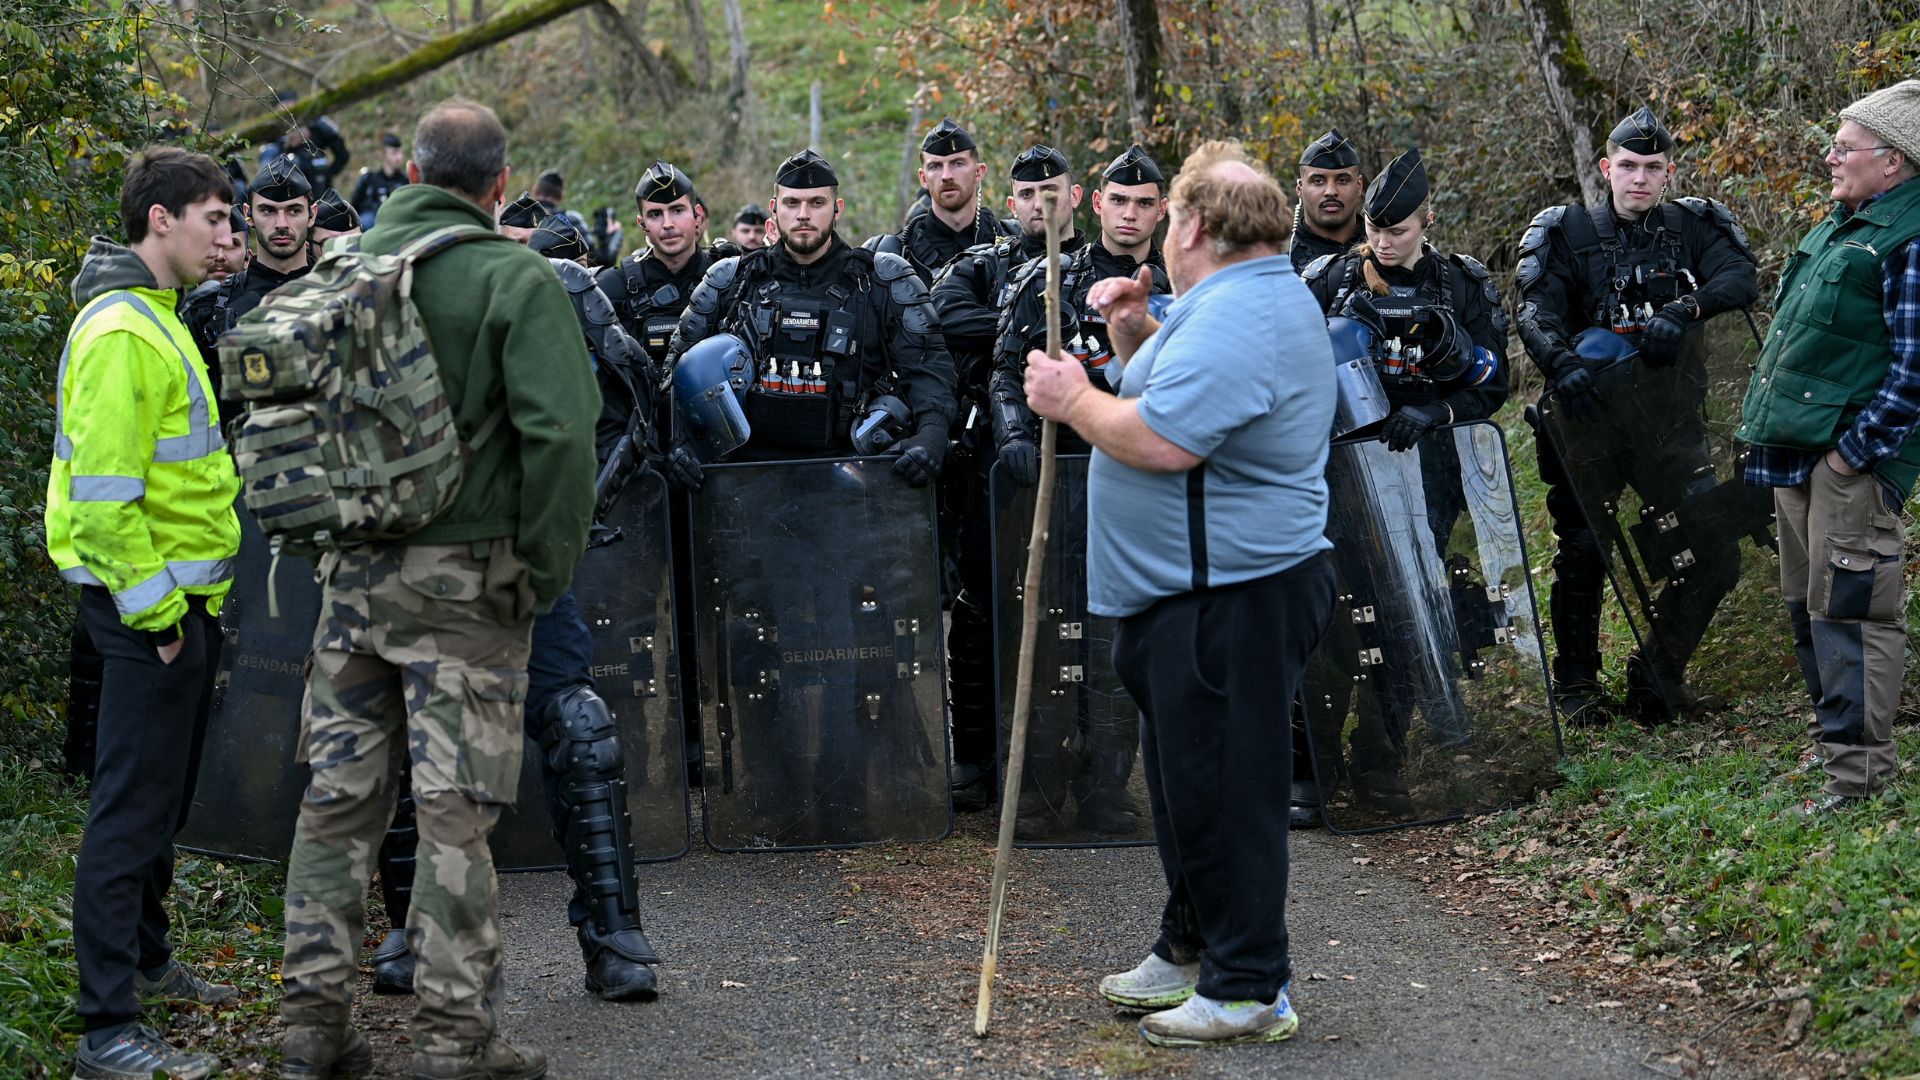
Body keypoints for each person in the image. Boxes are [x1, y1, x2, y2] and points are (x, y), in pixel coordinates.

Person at [276, 98, 599, 1080]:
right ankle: (456, 1039)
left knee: (336, 803)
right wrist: (541, 573)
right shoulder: (513, 277)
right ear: (501, 185)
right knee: (456, 811)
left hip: (352, 580)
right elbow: (561, 438)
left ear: (410, 178)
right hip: (471, 588)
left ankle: (310, 1031)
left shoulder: (341, 272)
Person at [1023, 139, 1335, 1048]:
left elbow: (1166, 442)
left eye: (1166, 218)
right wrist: (1133, 334)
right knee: (1185, 785)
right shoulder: (1231, 303)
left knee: (1230, 791)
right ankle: (1193, 945)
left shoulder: (1245, 314)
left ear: (1190, 223)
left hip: (1233, 596)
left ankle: (1247, 987)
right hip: (1189, 596)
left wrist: (1072, 398)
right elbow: (1195, 392)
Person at [369, 199, 663, 1007]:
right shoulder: (396, 283)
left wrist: (571, 511)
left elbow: (631, 407)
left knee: (579, 726)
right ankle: (413, 931)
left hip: (528, 558)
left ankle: (613, 941)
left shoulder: (564, 288)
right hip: (426, 560)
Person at [51, 145, 241, 1080]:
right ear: (161, 219)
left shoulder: (156, 317)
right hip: (146, 614)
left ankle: (151, 964)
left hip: (178, 603)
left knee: (158, 802)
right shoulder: (124, 330)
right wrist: (160, 618)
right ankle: (106, 1029)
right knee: (128, 814)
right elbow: (103, 498)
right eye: (216, 218)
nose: (230, 237)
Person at [1516, 106, 1759, 724]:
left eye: (1653, 167)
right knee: (1582, 549)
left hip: (1671, 423)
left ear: (1669, 171)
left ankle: (1658, 673)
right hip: (1587, 420)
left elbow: (1740, 278)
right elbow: (1532, 310)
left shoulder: (1693, 225)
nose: (1641, 178)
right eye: (1628, 166)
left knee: (1713, 547)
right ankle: (1576, 689)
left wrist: (1686, 309)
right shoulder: (1565, 231)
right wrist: (1562, 362)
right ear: (1606, 168)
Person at [1297, 147, 1509, 824]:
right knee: (1329, 619)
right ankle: (1312, 763)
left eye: (1398, 229)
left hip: (1431, 472)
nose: (1384, 242)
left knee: (1409, 614)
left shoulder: (1462, 284)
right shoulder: (1327, 278)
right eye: (1375, 229)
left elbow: (1494, 385)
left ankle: (1380, 759)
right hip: (1343, 473)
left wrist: (1440, 409)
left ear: (1427, 220)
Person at [1737, 79, 1920, 813]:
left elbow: (1916, 370)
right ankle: (1838, 763)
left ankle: (1862, 782)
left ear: (1895, 161)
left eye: (1844, 147)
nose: (1829, 157)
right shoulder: (1842, 226)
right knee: (1809, 610)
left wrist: (1854, 453)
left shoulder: (1910, 239)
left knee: (1853, 615)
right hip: (1798, 456)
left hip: (1848, 465)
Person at [986, 143, 1171, 833]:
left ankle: (1106, 787)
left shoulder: (1178, 289)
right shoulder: (1051, 279)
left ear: (1161, 209)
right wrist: (1011, 434)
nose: (1128, 214)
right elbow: (1006, 371)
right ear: (1096, 205)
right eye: (1117, 201)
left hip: (1142, 483)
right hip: (1056, 481)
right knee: (1043, 626)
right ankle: (1034, 786)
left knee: (1120, 635)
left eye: (1143, 203)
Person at [926, 143, 1081, 813]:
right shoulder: (983, 264)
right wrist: (1028, 327)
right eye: (1027, 194)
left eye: (1052, 191)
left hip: (1086, 456)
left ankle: (1070, 760)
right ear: (1010, 202)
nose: (1040, 204)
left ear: (1076, 196)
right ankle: (976, 757)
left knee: (1077, 607)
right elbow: (941, 317)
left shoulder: (1101, 270)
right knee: (982, 605)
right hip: (995, 461)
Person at [666, 148, 955, 480]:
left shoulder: (880, 282)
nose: (803, 214)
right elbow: (675, 373)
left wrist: (930, 438)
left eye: (816, 203)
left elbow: (929, 371)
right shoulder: (732, 281)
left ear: (837, 209)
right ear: (774, 210)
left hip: (853, 481)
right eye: (792, 203)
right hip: (745, 482)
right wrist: (679, 444)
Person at [601, 162, 740, 387]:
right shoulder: (614, 288)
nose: (668, 224)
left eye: (677, 210)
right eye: (655, 214)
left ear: (698, 215)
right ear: (642, 223)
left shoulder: (732, 280)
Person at [180, 155, 315, 375]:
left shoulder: (340, 295)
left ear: (312, 215)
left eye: (294, 211)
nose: (281, 224)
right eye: (268, 211)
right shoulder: (210, 310)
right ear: (248, 215)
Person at [864, 118, 1017, 284]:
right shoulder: (898, 253)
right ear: (923, 178)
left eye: (957, 163)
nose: (946, 176)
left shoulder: (1012, 242)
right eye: (935, 166)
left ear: (979, 172)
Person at [1291, 128, 1365, 273]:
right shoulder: (1283, 261)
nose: (1331, 191)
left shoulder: (1385, 253)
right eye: (1318, 181)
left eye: (1342, 180)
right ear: (1300, 188)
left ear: (1359, 186)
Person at [348, 132, 409, 229]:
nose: (399, 157)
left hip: (399, 225)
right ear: (383, 154)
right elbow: (353, 208)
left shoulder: (406, 180)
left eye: (400, 152)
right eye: (394, 153)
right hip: (373, 227)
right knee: (366, 220)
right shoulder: (369, 180)